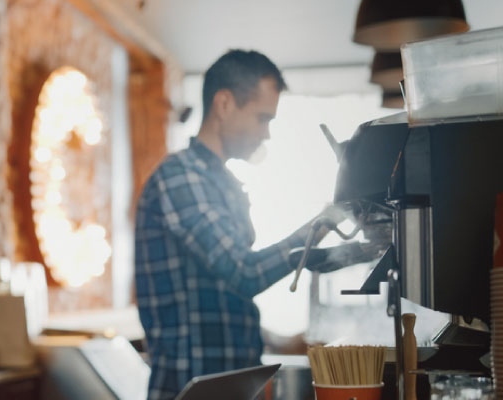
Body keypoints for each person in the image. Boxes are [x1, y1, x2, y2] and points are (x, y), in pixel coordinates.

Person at [134, 50, 349, 399]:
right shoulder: (180, 177)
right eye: (262, 118)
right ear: (224, 104)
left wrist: (278, 340)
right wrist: (322, 225)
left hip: (231, 386)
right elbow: (244, 274)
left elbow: (220, 301)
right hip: (189, 391)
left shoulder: (223, 185)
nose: (266, 134)